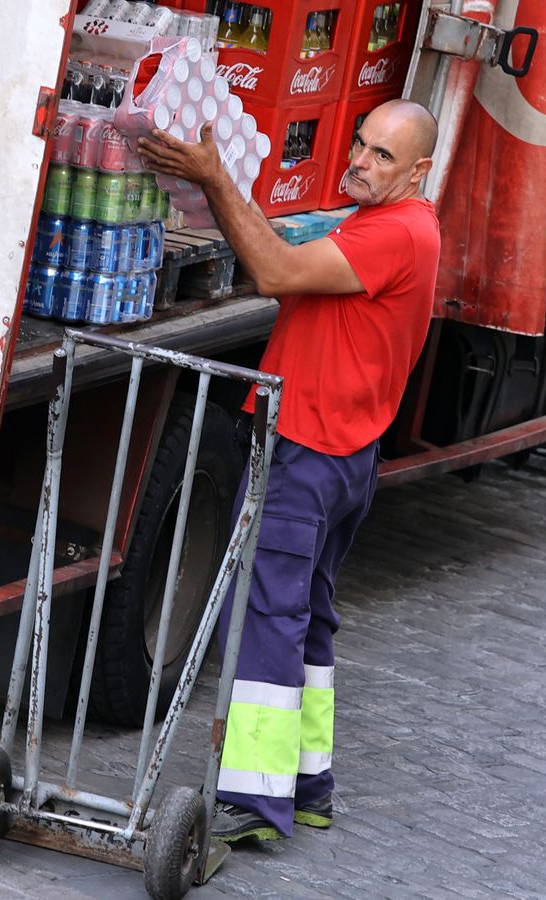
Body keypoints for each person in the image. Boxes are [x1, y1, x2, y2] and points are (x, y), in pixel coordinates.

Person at [136, 99, 442, 843]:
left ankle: (256, 801)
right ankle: (308, 785)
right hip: (344, 454)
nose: (360, 164)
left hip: (307, 449)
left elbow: (274, 271)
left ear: (420, 173)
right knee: (307, 619)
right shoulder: (394, 225)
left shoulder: (397, 233)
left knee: (264, 616)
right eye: (361, 146)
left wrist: (215, 180)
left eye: (382, 158)